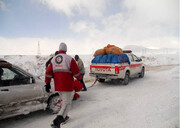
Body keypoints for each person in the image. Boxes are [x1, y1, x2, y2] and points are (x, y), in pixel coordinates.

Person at [45, 42, 82, 128]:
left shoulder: (53, 59)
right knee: (66, 103)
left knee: (67, 103)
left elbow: (48, 72)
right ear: (66, 49)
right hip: (67, 85)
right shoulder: (69, 59)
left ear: (59, 49)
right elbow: (76, 72)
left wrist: (47, 83)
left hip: (58, 85)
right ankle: (57, 121)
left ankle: (64, 117)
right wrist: (79, 78)